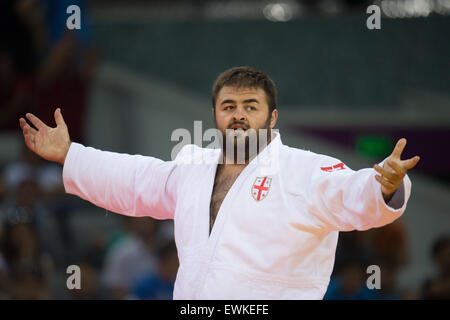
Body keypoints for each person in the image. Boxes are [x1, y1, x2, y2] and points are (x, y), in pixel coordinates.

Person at [18, 66, 420, 299]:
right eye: (229, 106)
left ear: (272, 117)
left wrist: (383, 186)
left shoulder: (305, 170)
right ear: (216, 115)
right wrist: (71, 155)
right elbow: (137, 179)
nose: (239, 115)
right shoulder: (194, 166)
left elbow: (352, 194)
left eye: (251, 106)